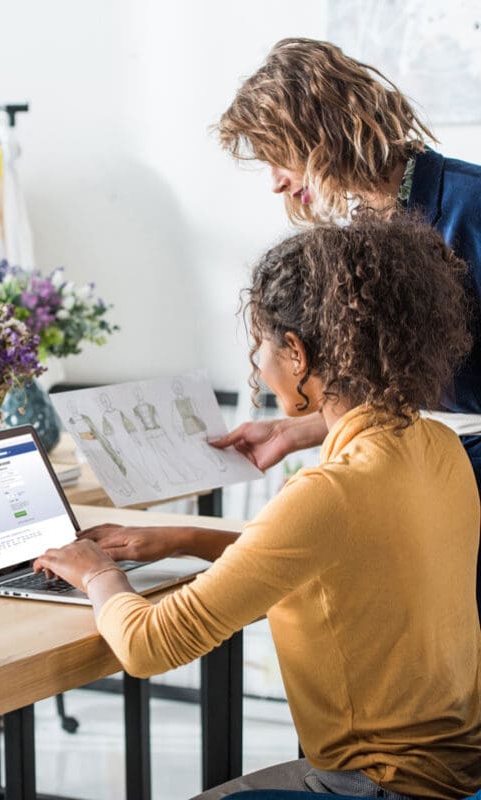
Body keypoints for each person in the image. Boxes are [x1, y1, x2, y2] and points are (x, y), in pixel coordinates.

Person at [34, 217, 481, 800]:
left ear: (296, 352)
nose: (260, 367)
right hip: (459, 778)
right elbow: (339, 561)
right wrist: (182, 539)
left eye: (261, 346)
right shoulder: (439, 448)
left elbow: (148, 645)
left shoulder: (330, 492)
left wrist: (97, 573)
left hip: (382, 786)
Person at [213, 39, 481, 616]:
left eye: (278, 157)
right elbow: (409, 385)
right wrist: (297, 433)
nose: (277, 183)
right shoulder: (374, 224)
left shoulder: (470, 204)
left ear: (322, 135)